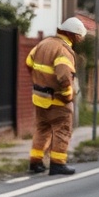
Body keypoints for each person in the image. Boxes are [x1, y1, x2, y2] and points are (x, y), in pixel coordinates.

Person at [25, 16, 86, 176]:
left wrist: (40, 79)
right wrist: (67, 97)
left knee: (42, 129)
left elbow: (29, 62)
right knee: (62, 130)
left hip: (39, 97)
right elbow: (65, 77)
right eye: (79, 35)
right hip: (58, 101)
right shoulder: (63, 50)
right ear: (72, 34)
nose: (80, 39)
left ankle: (35, 162)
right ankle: (57, 164)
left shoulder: (43, 43)